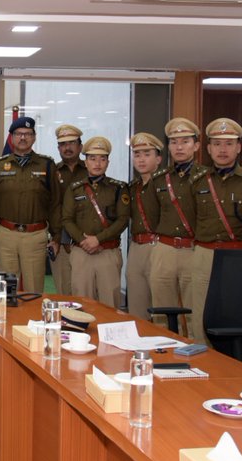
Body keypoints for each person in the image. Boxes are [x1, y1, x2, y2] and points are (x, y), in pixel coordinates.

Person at [186, 118, 242, 344]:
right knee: (200, 313)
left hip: (239, 256)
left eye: (229, 143)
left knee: (237, 314)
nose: (223, 149)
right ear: (209, 148)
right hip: (204, 254)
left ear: (239, 147)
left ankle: (234, 364)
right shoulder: (198, 181)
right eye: (217, 143)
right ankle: (204, 363)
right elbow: (193, 219)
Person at [0, 116, 60, 294]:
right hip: (5, 235)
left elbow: (55, 202)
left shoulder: (47, 165)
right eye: (19, 134)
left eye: (27, 134)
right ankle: (6, 321)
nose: (23, 138)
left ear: (34, 137)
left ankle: (32, 321)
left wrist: (56, 236)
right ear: (12, 137)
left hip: (35, 236)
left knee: (33, 291)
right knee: (6, 291)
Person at [61, 136, 128, 306]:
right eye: (92, 158)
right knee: (81, 304)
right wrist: (83, 241)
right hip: (81, 253)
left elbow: (123, 220)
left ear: (108, 162)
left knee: (110, 304)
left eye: (102, 159)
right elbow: (67, 219)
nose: (97, 163)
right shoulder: (75, 188)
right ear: (86, 162)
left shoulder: (118, 188)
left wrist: (98, 239)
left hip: (108, 252)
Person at [148, 118, 200, 325]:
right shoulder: (159, 178)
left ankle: (197, 354)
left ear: (196, 145)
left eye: (185, 141)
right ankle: (164, 351)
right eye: (174, 142)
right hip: (165, 249)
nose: (179, 147)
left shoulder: (206, 177)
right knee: (161, 310)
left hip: (194, 249)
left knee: (195, 310)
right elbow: (153, 216)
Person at [126, 132, 163, 320]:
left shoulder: (166, 184)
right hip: (136, 247)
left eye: (147, 154)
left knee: (160, 304)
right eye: (137, 154)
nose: (141, 159)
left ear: (158, 158)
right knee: (137, 304)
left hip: (159, 247)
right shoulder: (133, 187)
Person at [52, 124, 86, 295]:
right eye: (63, 144)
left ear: (80, 146)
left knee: (86, 293)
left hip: (86, 243)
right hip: (60, 242)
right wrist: (56, 237)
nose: (67, 148)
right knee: (64, 292)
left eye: (72, 143)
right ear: (58, 148)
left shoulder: (90, 171)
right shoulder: (52, 173)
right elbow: (50, 207)